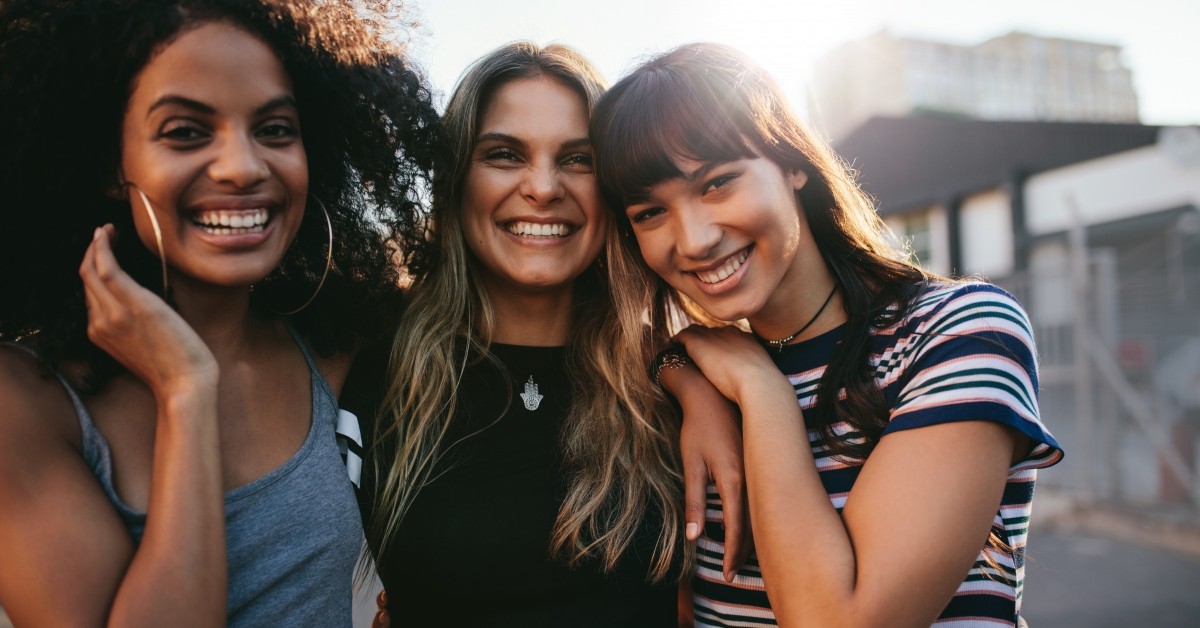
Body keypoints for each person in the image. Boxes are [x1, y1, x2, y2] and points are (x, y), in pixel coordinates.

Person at [591, 43, 1064, 627]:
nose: (692, 240)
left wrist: (763, 392)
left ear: (793, 163)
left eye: (717, 183)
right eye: (649, 213)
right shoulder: (700, 375)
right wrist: (682, 372)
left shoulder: (957, 331)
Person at [0, 0, 439, 625]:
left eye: (275, 129)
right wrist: (185, 390)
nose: (243, 166)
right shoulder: (26, 401)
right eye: (185, 131)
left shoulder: (335, 341)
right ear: (107, 163)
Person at [348, 42, 747, 627]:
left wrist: (686, 377)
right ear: (457, 180)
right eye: (505, 154)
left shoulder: (674, 386)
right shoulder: (371, 372)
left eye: (578, 159)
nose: (542, 187)